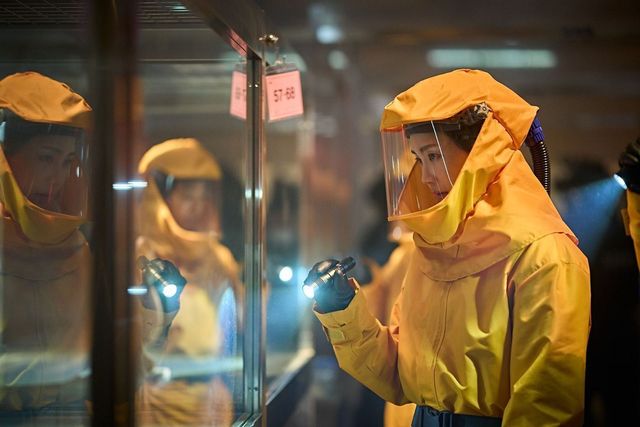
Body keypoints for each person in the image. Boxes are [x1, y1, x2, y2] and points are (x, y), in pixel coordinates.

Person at [305, 69, 591, 426]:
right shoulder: (430, 251)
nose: (425, 177)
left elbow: (546, 406)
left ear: (482, 154)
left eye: (434, 156)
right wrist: (342, 309)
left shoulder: (545, 257)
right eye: (418, 158)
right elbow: (398, 375)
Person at [0, 71, 182, 423]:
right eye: (46, 158)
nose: (57, 178)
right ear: (5, 158)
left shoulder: (79, 252)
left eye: (68, 162)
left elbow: (122, 375)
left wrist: (155, 313)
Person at [135, 138, 243, 426]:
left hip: (212, 400)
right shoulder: (142, 257)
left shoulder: (218, 258)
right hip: (160, 402)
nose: (198, 207)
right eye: (187, 196)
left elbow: (240, 321)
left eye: (204, 197)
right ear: (159, 198)